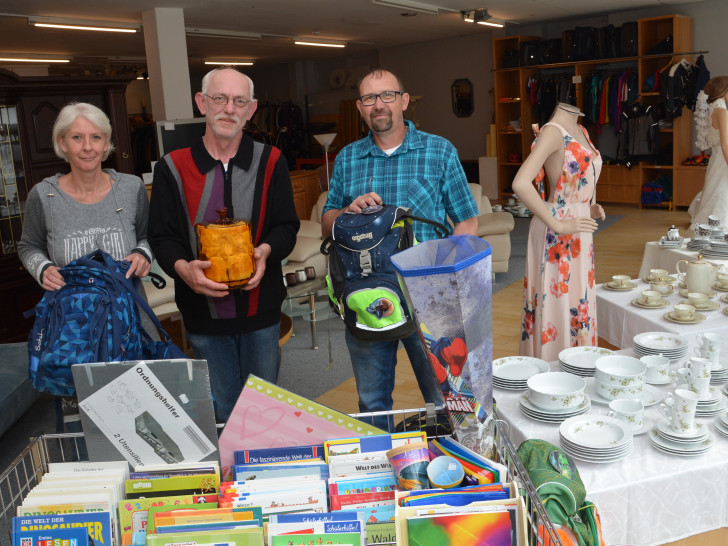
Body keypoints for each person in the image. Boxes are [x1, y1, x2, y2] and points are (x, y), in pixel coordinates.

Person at [322, 68, 479, 429]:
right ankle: (383, 475)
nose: (379, 105)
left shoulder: (439, 151)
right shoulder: (347, 158)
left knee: (449, 399)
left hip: (429, 298)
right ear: (360, 108)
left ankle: (456, 473)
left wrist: (444, 278)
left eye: (387, 95)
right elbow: (327, 220)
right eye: (369, 98)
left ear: (404, 101)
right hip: (367, 298)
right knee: (373, 403)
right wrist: (346, 212)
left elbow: (468, 221)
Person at [148, 67, 299, 422]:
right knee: (220, 409)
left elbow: (286, 227)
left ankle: (262, 473)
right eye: (220, 98)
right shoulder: (172, 167)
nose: (229, 108)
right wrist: (183, 268)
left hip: (261, 311)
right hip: (203, 315)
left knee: (262, 409)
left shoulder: (272, 161)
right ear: (202, 103)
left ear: (251, 109)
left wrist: (265, 252)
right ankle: (229, 476)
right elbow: (162, 237)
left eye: (239, 101)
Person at [18, 101, 152, 433]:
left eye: (96, 137)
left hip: (131, 322)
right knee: (83, 421)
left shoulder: (131, 188)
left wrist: (143, 254)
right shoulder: (43, 196)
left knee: (141, 413)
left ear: (107, 143)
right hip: (71, 329)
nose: (88, 147)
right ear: (62, 143)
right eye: (77, 137)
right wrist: (43, 267)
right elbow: (28, 245)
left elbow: (150, 237)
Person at [513, 103, 605, 361]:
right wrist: (559, 224)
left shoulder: (581, 130)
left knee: (578, 301)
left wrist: (590, 205)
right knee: (556, 303)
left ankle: (579, 366)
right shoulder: (553, 132)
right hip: (556, 230)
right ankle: (553, 370)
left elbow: (584, 174)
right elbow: (520, 183)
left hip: (579, 228)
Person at [688, 76, 728, 234]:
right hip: (723, 160)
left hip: (716, 159)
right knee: (720, 196)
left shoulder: (713, 109)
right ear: (724, 91)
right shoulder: (722, 111)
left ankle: (705, 232)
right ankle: (719, 234)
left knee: (714, 195)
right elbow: (725, 143)